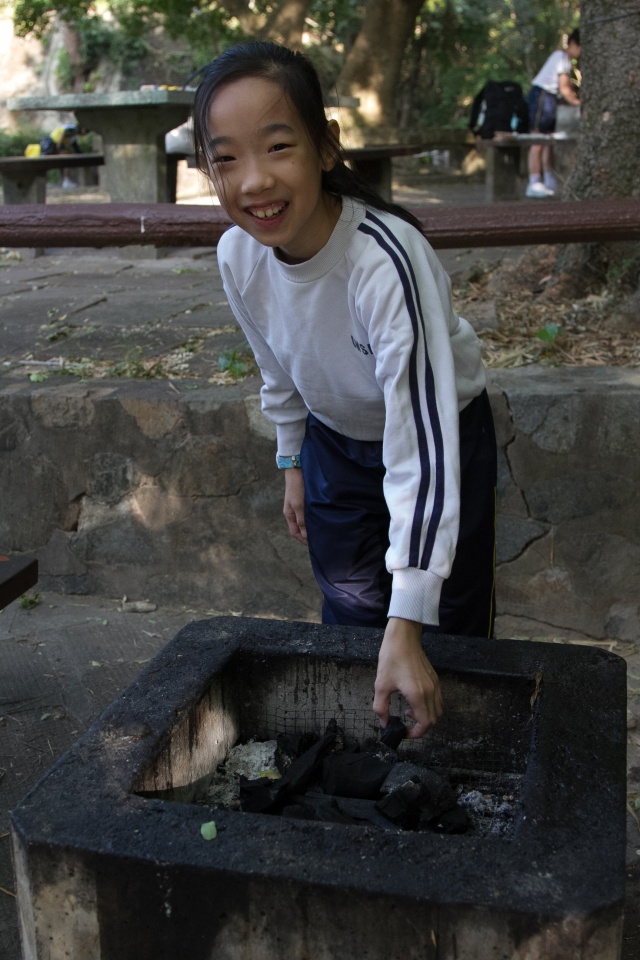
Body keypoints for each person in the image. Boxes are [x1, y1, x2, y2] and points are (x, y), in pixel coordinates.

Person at [192, 41, 497, 739]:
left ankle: (455, 751)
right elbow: (278, 364)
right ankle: (367, 754)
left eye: (278, 146)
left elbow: (421, 443)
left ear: (326, 146)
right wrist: (293, 461)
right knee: (351, 616)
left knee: (445, 624)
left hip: (438, 434)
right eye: (226, 159)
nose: (254, 181)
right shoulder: (238, 255)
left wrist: (409, 617)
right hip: (333, 441)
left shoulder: (384, 261)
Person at [526, 29, 581, 198]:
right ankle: (534, 181)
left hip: (550, 98)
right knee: (538, 140)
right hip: (542, 96)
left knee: (548, 140)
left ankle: (549, 179)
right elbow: (564, 89)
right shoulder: (561, 58)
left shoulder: (565, 60)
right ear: (573, 44)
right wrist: (578, 103)